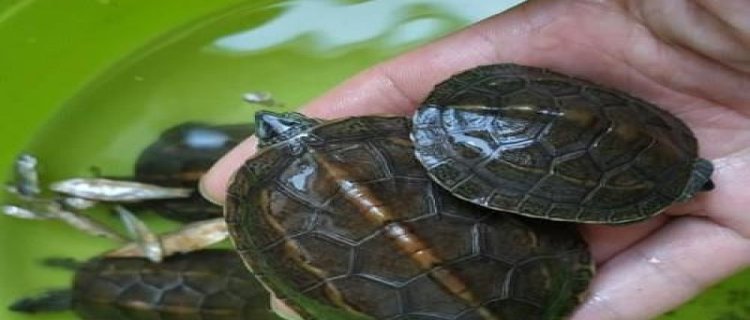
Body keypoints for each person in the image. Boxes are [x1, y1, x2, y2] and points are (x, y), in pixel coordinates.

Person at [200, 1, 750, 319]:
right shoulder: (402, 141)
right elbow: (482, 183)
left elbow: (486, 181)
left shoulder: (257, 199)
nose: (274, 124)